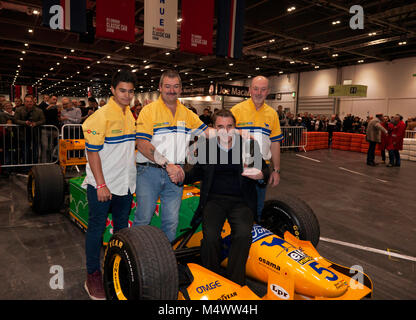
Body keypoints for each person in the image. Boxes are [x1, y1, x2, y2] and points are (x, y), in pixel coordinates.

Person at [183, 109, 269, 286]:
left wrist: (260, 175)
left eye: (229, 126)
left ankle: (236, 282)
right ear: (214, 128)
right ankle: (212, 279)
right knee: (210, 237)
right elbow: (196, 173)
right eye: (220, 127)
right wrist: (181, 175)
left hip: (241, 201)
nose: (225, 131)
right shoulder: (207, 146)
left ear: (235, 127)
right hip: (214, 200)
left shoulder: (247, 146)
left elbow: (265, 171)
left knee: (243, 235)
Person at [134, 69, 210, 242]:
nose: (171, 90)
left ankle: (166, 261)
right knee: (143, 219)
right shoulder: (149, 111)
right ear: (160, 88)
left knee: (171, 222)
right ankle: (136, 262)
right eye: (167, 86)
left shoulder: (188, 113)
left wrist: (237, 134)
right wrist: (167, 164)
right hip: (149, 172)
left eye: (176, 86)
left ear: (181, 89)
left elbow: (209, 133)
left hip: (176, 173)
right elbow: (143, 145)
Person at [81, 69, 137, 300]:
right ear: (113, 90)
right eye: (122, 90)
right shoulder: (99, 117)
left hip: (125, 185)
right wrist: (102, 184)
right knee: (96, 229)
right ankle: (92, 275)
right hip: (103, 186)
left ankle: (116, 266)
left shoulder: (130, 115)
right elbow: (92, 154)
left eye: (130, 91)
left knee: (122, 230)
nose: (126, 95)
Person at [230, 75, 283, 221]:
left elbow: (275, 143)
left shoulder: (272, 114)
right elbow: (224, 134)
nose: (259, 93)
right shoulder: (236, 110)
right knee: (236, 207)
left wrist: (276, 170)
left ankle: (254, 236)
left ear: (268, 91)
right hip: (239, 166)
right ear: (249, 90)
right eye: (255, 89)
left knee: (257, 209)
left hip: (262, 168)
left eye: (263, 89)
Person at [13, 94, 45, 164]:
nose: (29, 103)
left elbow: (43, 120)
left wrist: (36, 123)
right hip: (23, 134)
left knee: (35, 151)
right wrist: (25, 122)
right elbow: (15, 120)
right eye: (27, 101)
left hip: (35, 134)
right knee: (25, 151)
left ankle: (35, 166)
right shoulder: (19, 110)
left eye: (30, 101)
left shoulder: (39, 111)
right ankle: (25, 167)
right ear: (24, 102)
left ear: (33, 102)